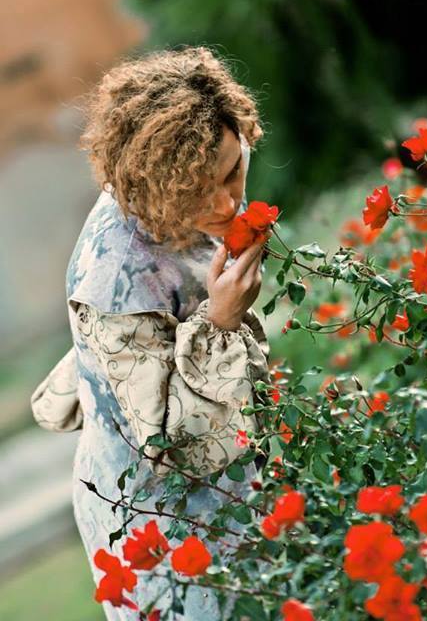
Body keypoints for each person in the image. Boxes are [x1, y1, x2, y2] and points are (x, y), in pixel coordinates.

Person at [30, 46, 273, 620]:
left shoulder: (164, 192)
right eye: (201, 189)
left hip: (225, 495)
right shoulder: (116, 274)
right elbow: (170, 441)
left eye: (234, 169)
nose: (228, 201)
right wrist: (220, 321)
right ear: (159, 180)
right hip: (162, 534)